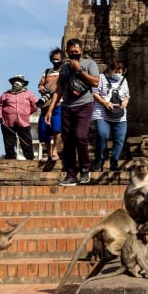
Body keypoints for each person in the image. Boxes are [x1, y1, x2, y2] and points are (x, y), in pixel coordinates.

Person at [46, 39, 100, 186]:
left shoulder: (90, 64)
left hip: (84, 105)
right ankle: (70, 174)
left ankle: (84, 168)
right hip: (67, 107)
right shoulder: (64, 68)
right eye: (71, 52)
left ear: (81, 51)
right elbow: (59, 90)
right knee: (68, 140)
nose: (74, 54)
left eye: (76, 52)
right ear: (67, 52)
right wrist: (50, 110)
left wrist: (79, 71)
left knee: (80, 136)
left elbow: (95, 82)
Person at [90, 59, 130, 172]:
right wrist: (104, 102)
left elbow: (127, 95)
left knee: (120, 139)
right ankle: (99, 160)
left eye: (120, 71)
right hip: (102, 113)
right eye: (115, 70)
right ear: (110, 69)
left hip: (120, 114)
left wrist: (125, 102)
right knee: (102, 135)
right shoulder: (101, 78)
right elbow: (94, 93)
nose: (118, 73)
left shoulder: (123, 80)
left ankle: (114, 162)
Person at [0, 74, 38, 160]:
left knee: (26, 140)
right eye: (14, 81)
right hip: (7, 121)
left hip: (23, 122)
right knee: (9, 140)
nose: (16, 83)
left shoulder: (29, 94)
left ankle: (29, 158)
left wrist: (26, 113)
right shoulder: (6, 94)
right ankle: (10, 157)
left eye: (19, 81)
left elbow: (34, 106)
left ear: (23, 83)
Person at [37, 48, 64, 162]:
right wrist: (42, 88)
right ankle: (48, 152)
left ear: (62, 59)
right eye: (53, 59)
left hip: (60, 103)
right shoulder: (47, 72)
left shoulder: (65, 71)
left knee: (57, 128)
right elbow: (40, 85)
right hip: (46, 104)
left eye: (58, 59)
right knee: (43, 130)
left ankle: (54, 151)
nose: (55, 61)